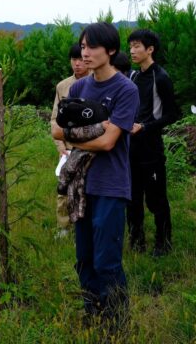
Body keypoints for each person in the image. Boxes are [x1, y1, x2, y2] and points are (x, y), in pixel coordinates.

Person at [51, 22, 139, 328]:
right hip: (81, 183)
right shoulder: (78, 88)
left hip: (111, 184)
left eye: (91, 47)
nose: (85, 53)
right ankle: (93, 312)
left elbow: (108, 141)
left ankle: (116, 321)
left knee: (107, 259)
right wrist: (82, 134)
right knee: (84, 257)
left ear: (111, 50)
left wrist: (75, 138)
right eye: (83, 47)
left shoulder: (126, 89)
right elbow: (58, 128)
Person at [126, 29, 178, 256]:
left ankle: (163, 242)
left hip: (151, 147)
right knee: (132, 196)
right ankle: (136, 240)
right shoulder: (133, 76)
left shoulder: (161, 77)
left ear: (150, 49)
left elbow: (172, 114)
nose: (132, 51)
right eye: (130, 46)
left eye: (137, 46)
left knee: (156, 198)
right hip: (131, 146)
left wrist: (145, 127)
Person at [51, 44, 89, 239]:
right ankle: (64, 227)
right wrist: (61, 147)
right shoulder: (63, 86)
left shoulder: (95, 84)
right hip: (67, 149)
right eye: (73, 59)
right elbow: (54, 118)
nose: (77, 63)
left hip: (90, 149)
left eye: (80, 59)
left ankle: (83, 228)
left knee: (86, 189)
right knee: (64, 188)